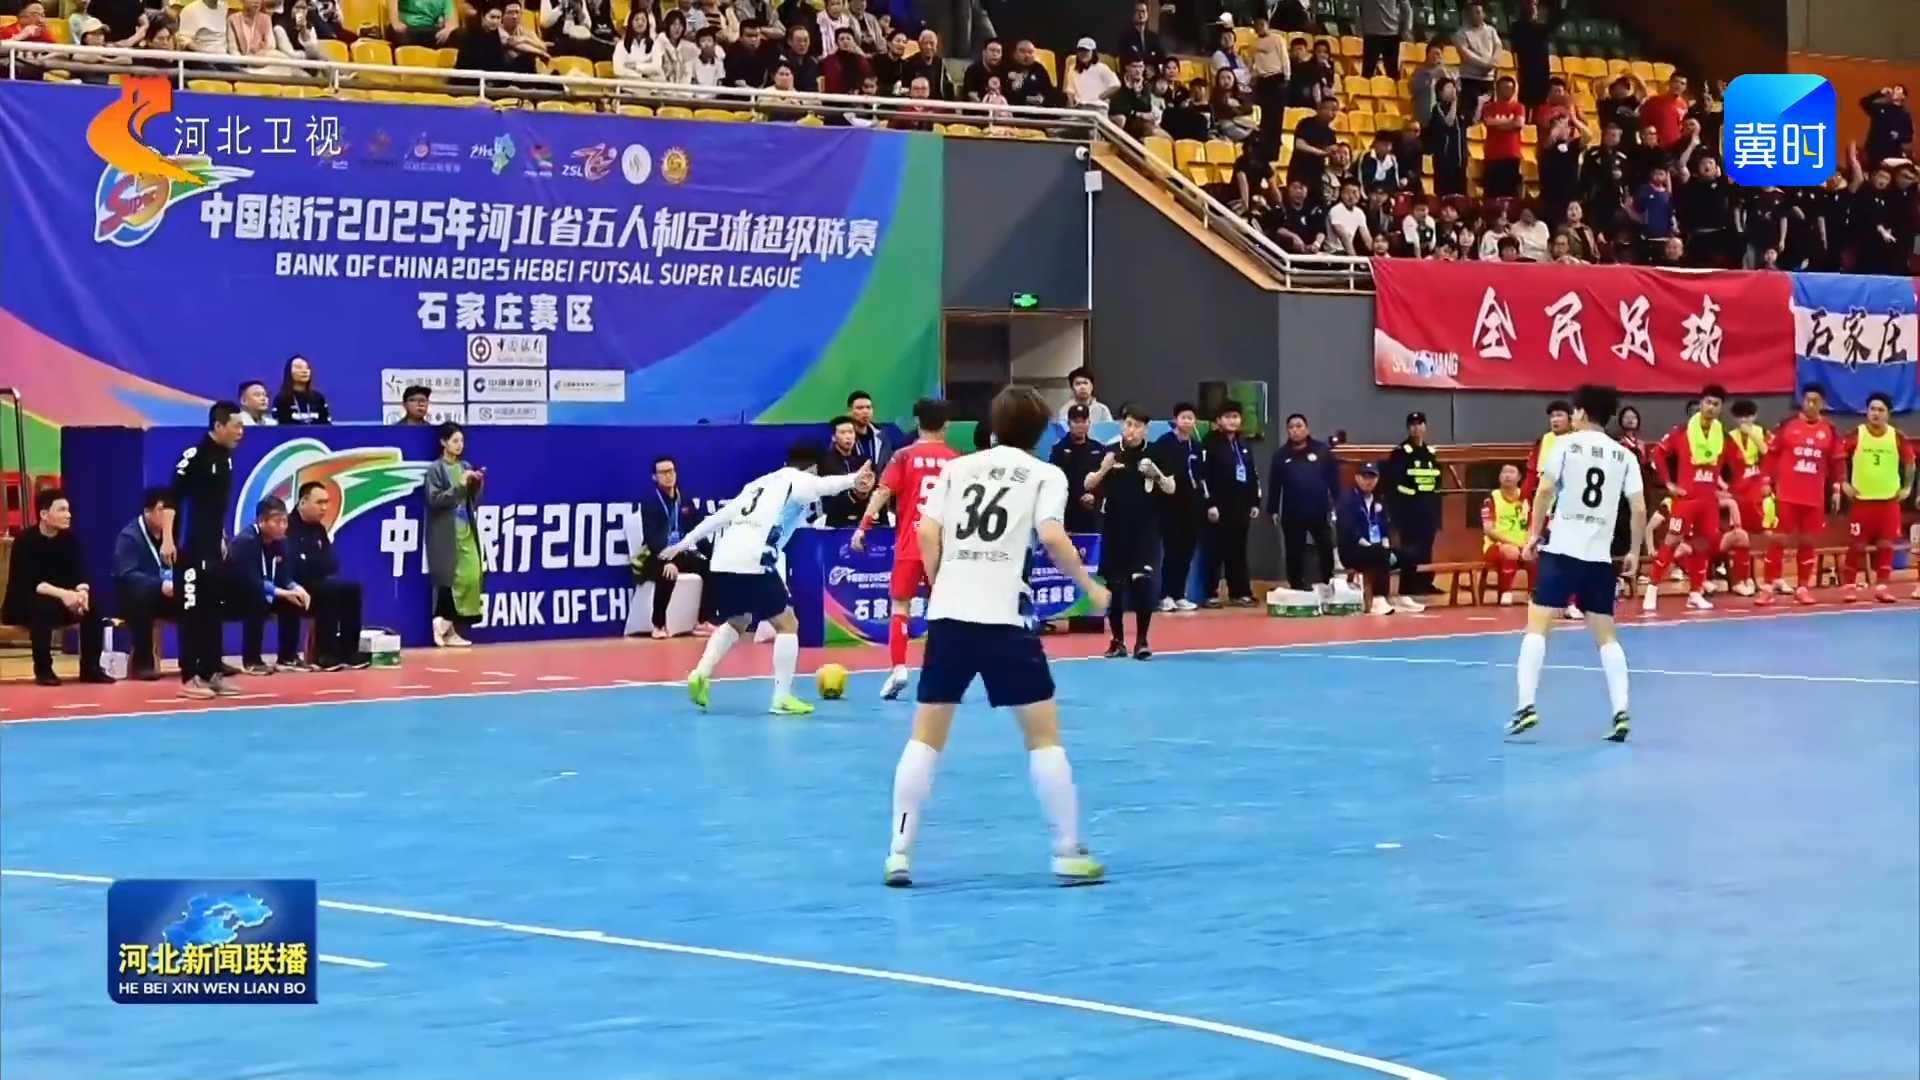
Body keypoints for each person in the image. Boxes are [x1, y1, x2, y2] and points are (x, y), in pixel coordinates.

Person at [881, 385, 1111, 889]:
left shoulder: (957, 468)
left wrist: (942, 582)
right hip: (1006, 616)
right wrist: (1090, 587)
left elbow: (926, 532)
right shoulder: (1045, 474)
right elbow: (1050, 535)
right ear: (1041, 431)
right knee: (1042, 736)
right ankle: (1067, 851)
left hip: (949, 616)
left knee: (925, 736)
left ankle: (898, 853)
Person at [663, 444, 873, 715]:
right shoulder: (798, 480)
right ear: (811, 468)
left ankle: (700, 674)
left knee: (738, 619)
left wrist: (684, 543)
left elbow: (719, 518)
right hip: (754, 559)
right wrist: (853, 479)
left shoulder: (757, 484)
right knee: (788, 624)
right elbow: (826, 486)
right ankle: (782, 698)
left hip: (724, 560)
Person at [1507, 383, 1646, 743]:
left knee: (1537, 627)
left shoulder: (1564, 445)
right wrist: (1634, 551)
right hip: (1598, 558)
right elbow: (1638, 508)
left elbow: (1544, 491)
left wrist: (1533, 535)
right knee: (1606, 637)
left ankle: (1525, 706)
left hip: (1561, 552)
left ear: (1581, 412)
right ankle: (1621, 712)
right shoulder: (1625, 455)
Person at [851, 399, 959, 700]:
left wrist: (863, 527)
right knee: (944, 610)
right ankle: (943, 672)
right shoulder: (955, 460)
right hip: (944, 547)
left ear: (917, 422)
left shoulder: (903, 455)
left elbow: (883, 492)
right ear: (946, 425)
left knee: (900, 606)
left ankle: (899, 668)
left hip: (911, 543)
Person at [1642, 384, 1747, 613]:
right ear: (1701, 404)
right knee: (1671, 542)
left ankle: (1695, 593)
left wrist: (1729, 489)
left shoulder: (1724, 437)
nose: (1711, 407)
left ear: (1721, 408)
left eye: (1716, 404)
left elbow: (1740, 463)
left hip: (1708, 502)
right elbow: (1657, 454)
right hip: (1686, 500)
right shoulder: (1682, 432)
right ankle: (1652, 588)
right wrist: (1668, 483)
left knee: (1702, 545)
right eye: (1708, 402)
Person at [1086, 405, 1175, 659]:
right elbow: (1088, 483)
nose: (1131, 430)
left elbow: (1171, 488)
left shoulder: (1156, 453)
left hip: (1145, 529)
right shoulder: (1110, 452)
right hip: (1115, 527)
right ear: (1121, 426)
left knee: (1142, 582)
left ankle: (1142, 641)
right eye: (1128, 424)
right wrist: (1104, 469)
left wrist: (1156, 474)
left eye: (1137, 426)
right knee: (1115, 585)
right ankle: (1117, 641)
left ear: (1146, 429)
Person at [3, 489, 113, 687]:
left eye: (68, 510)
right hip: (24, 602)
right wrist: (64, 595)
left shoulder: (70, 539)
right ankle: (44, 670)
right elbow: (33, 583)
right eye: (62, 510)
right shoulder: (25, 541)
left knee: (93, 607)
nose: (68, 515)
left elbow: (80, 573)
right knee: (42, 607)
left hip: (61, 600)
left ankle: (91, 668)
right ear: (44, 514)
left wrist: (82, 593)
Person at [171, 402, 243, 700]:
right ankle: (190, 677)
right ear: (218, 426)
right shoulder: (195, 456)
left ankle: (212, 672)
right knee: (192, 613)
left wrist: (222, 536)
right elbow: (172, 499)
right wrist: (168, 540)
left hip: (213, 548)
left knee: (213, 611)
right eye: (236, 426)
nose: (241, 432)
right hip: (191, 549)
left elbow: (216, 507)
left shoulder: (226, 459)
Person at [1763, 386, 1844, 605]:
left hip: (1813, 497)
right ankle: (1768, 587)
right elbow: (1771, 455)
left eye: (1815, 401)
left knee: (1808, 542)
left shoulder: (1830, 430)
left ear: (1823, 404)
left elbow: (1837, 462)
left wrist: (1837, 488)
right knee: (1778, 540)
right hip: (1787, 495)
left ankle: (1802, 587)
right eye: (1807, 400)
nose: (1810, 404)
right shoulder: (1787, 425)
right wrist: (1766, 481)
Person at [1839, 392, 1916, 603]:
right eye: (1872, 409)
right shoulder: (1856, 434)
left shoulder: (1897, 436)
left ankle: (1882, 587)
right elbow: (1838, 457)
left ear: (1888, 414)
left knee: (1885, 545)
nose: (1876, 413)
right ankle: (1849, 587)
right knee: (1856, 546)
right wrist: (1843, 482)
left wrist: (1907, 487)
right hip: (1862, 502)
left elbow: (1910, 463)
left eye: (1881, 410)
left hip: (1888, 502)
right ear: (1867, 412)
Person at [286, 482, 371, 670]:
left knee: (352, 589)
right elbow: (295, 566)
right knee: (328, 592)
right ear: (303, 502)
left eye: (326, 502)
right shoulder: (288, 527)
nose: (324, 508)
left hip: (317, 583)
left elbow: (331, 563)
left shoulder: (319, 529)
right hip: (293, 587)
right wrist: (313, 563)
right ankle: (325, 654)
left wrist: (312, 562)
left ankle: (349, 651)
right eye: (319, 502)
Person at [226, 496, 312, 676]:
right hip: (235, 595)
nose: (283, 526)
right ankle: (252, 660)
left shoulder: (281, 541)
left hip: (266, 591)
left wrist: (296, 588)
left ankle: (287, 657)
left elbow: (284, 576)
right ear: (262, 521)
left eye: (285, 521)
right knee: (256, 599)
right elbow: (251, 582)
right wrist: (284, 593)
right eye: (277, 521)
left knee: (293, 601)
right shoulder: (246, 541)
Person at [636, 455, 712, 639]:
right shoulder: (650, 503)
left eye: (671, 471)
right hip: (655, 556)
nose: (668, 476)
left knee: (711, 568)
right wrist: (667, 560)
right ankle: (658, 625)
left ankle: (702, 621)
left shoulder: (684, 501)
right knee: (667, 572)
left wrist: (713, 554)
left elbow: (697, 532)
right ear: (654, 477)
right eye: (662, 472)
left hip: (680, 554)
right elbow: (652, 539)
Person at [423, 421, 485, 648]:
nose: (459, 445)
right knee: (449, 579)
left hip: (466, 528)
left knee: (473, 574)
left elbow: (472, 500)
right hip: (445, 532)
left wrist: (476, 483)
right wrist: (459, 486)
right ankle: (444, 626)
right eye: (455, 441)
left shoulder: (465, 465)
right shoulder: (436, 469)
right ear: (443, 442)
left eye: (462, 441)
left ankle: (447, 625)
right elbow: (434, 500)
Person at [1265, 412, 1339, 591]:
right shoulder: (1281, 455)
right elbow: (1274, 484)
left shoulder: (1321, 450)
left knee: (1325, 546)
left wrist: (1339, 503)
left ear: (1307, 429)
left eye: (1299, 426)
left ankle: (1328, 581)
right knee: (1294, 550)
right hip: (1293, 511)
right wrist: (1273, 509)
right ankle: (1296, 584)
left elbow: (1334, 479)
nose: (1295, 430)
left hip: (1318, 509)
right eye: (1291, 427)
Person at [112, 486, 178, 681]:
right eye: (161, 510)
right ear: (147, 512)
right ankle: (142, 664)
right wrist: (159, 585)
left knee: (195, 600)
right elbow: (127, 574)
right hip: (133, 597)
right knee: (141, 601)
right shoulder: (129, 537)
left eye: (169, 511)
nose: (166, 516)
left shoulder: (172, 534)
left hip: (167, 594)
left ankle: (199, 661)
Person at [1200, 399, 1259, 607]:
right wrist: (1210, 504)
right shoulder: (1210, 443)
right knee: (1215, 553)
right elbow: (1203, 476)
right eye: (1227, 417)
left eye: (1235, 417)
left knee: (1238, 552)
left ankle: (1239, 592)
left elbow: (1252, 475)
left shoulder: (1244, 444)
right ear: (1218, 420)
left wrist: (1255, 502)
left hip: (1240, 507)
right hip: (1218, 507)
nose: (1232, 421)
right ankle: (1210, 593)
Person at [1337, 464, 1417, 615]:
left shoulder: (1379, 500)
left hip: (1377, 548)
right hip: (1353, 550)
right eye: (1365, 477)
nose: (1369, 481)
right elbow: (1349, 530)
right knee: (1379, 554)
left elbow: (1385, 526)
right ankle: (1377, 599)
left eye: (1372, 477)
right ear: (1357, 478)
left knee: (1409, 555)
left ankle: (1400, 596)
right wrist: (1372, 546)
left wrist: (1386, 543)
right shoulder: (1348, 500)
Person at [1152, 402, 1207, 610]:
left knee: (1186, 552)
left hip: (1191, 507)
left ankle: (1179, 594)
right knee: (1171, 552)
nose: (1187, 421)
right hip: (1169, 506)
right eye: (1183, 417)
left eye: (1190, 418)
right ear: (1175, 420)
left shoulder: (1196, 446)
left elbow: (1201, 476)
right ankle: (1165, 595)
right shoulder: (1164, 443)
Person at [1382, 411, 1441, 598]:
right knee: (1410, 548)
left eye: (1419, 424)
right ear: (1408, 428)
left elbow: (1435, 481)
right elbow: (1394, 483)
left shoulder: (1430, 452)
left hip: (1428, 507)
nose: (1416, 428)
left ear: (1425, 427)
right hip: (1409, 509)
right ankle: (1409, 585)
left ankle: (1425, 582)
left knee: (1426, 546)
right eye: (1412, 425)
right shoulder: (1400, 453)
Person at [1723, 399, 1771, 597]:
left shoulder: (1761, 432)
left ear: (1755, 416)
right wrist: (1723, 486)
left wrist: (1751, 433)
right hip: (1738, 490)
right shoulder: (1729, 437)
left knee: (1766, 534)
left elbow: (1768, 453)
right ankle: (1743, 578)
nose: (1744, 420)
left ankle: (1766, 578)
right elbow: (1718, 463)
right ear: (1735, 418)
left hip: (1757, 488)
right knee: (1741, 536)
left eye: (1748, 416)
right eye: (1740, 417)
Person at [1480, 463, 1532, 603]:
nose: (1507, 475)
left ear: (1519, 477)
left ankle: (1533, 594)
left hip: (1523, 544)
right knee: (1510, 551)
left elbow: (1532, 525)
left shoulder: (1526, 498)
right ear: (1499, 477)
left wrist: (1528, 543)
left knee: (1536, 553)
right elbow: (1488, 530)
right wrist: (1514, 544)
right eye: (1504, 472)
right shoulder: (1491, 499)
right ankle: (1506, 592)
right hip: (1496, 547)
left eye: (1511, 472)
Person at [1452, 1, 1500, 122]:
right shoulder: (1461, 33)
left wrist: (1493, 61)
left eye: (1479, 12)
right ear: (1468, 14)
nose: (1477, 15)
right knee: (1469, 116)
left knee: (1488, 116)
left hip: (1488, 80)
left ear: (1483, 14)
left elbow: (1498, 47)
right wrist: (1485, 64)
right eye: (1474, 13)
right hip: (1470, 80)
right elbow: (1466, 54)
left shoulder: (1491, 31)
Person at [817, 416, 869, 527]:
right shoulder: (826, 461)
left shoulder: (862, 460)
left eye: (851, 432)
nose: (848, 436)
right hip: (833, 517)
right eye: (843, 433)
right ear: (834, 438)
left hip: (860, 513)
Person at [271, 355, 330, 425]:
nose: (305, 371)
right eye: (299, 367)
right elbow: (278, 427)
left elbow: (327, 426)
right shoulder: (281, 399)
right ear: (289, 372)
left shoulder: (319, 398)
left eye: (307, 368)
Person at [844, 389, 891, 474]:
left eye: (868, 407)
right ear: (850, 411)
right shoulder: (842, 438)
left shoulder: (882, 438)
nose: (865, 411)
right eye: (860, 408)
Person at [390, 0, 455, 46]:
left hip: (429, 29)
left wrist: (448, 30)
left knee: (455, 35)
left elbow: (451, 22)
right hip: (407, 27)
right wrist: (395, 22)